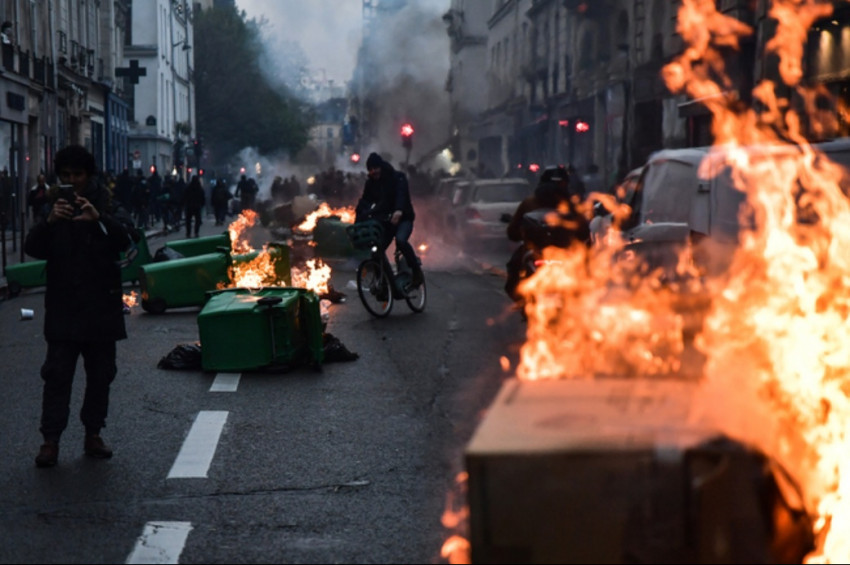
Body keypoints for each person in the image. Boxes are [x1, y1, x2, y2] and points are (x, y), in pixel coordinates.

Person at [24, 145, 134, 468]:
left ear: (89, 175)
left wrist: (99, 220)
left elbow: (128, 240)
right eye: (67, 175)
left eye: (78, 175)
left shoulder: (108, 203)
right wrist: (50, 222)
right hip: (64, 306)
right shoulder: (54, 205)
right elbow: (32, 247)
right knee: (57, 375)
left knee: (101, 375)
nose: (73, 181)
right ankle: (50, 440)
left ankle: (93, 433)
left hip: (101, 304)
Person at [504, 165, 590, 303]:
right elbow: (584, 232)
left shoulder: (529, 202)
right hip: (561, 256)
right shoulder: (571, 205)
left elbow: (512, 233)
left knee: (514, 269)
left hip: (542, 255)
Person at [355, 152, 424, 287]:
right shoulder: (371, 184)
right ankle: (385, 282)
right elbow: (364, 202)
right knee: (377, 250)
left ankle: (416, 271)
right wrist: (358, 221)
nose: (374, 171)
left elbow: (401, 195)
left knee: (401, 241)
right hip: (387, 222)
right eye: (370, 169)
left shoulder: (397, 177)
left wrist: (398, 210)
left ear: (381, 166)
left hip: (404, 219)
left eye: (376, 168)